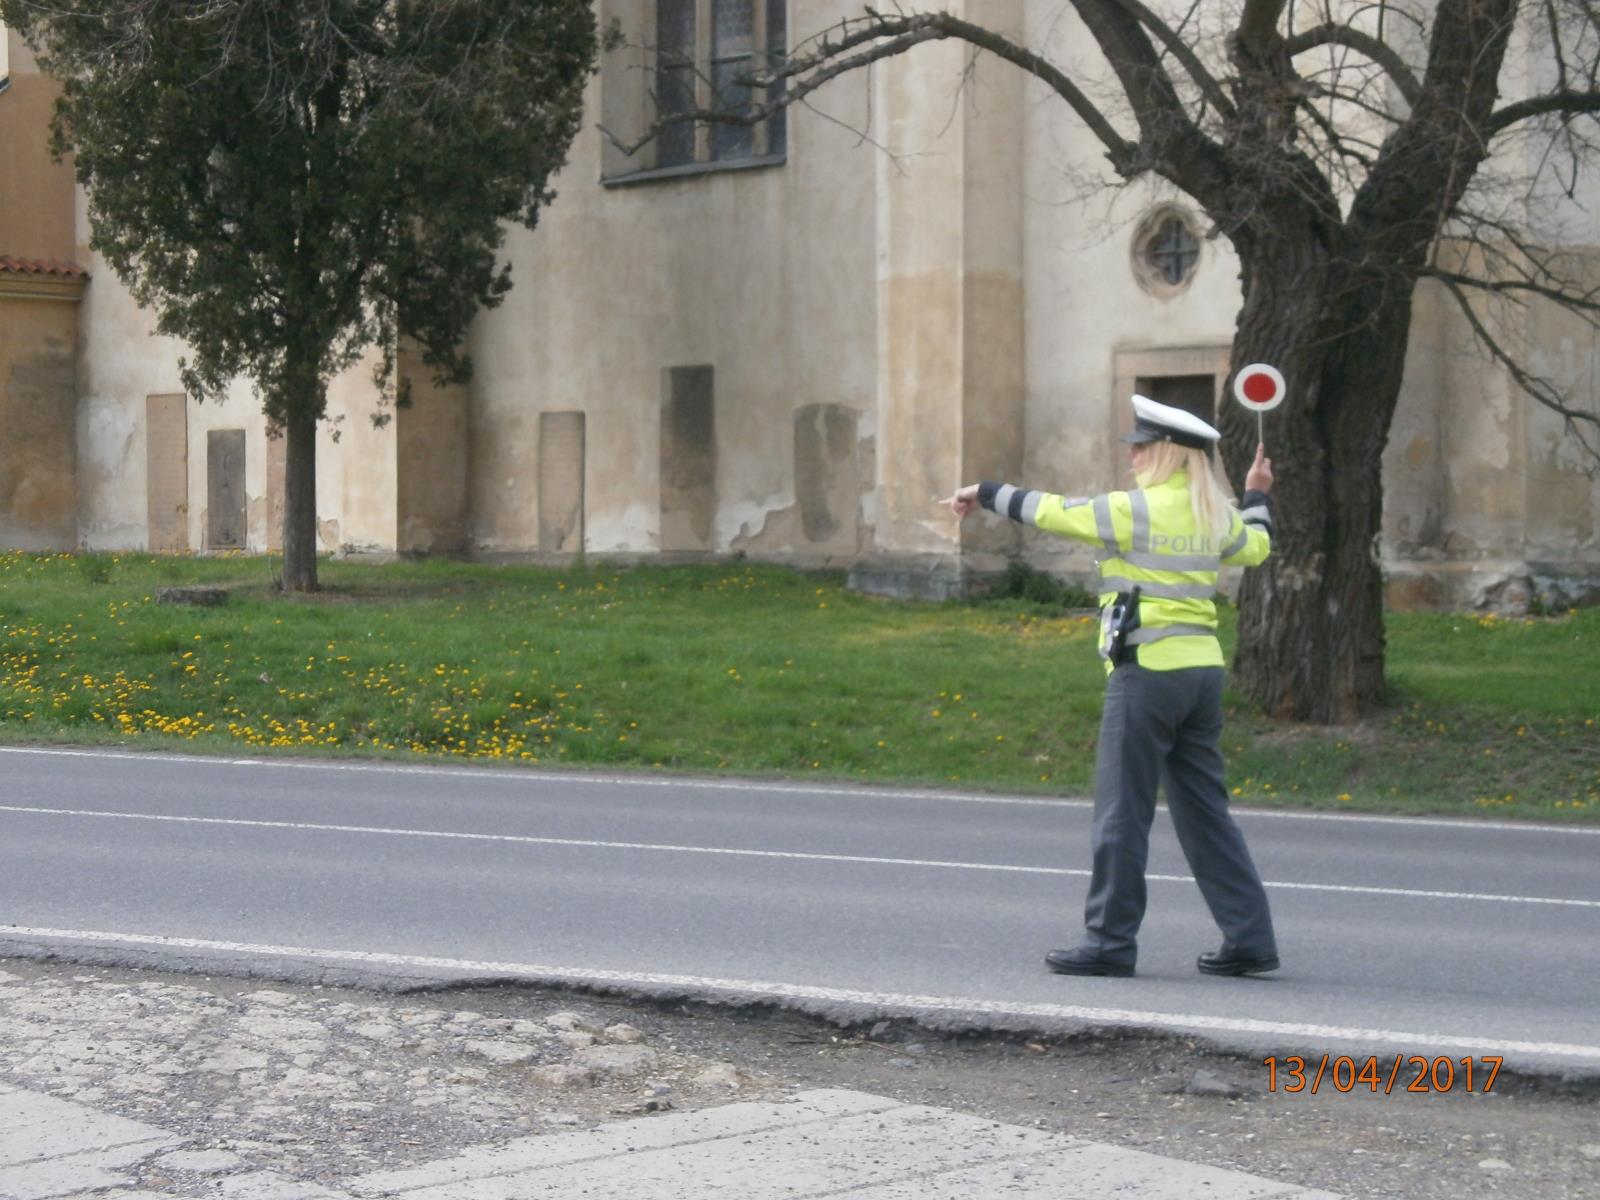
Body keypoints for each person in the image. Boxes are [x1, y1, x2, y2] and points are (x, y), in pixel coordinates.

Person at [944, 393, 1280, 978]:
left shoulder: (1135, 510)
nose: (1132, 459)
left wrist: (987, 492)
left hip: (1145, 676)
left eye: (1141, 448)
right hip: (1201, 676)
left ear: (1169, 454)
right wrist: (1257, 494)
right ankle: (1250, 937)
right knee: (1206, 814)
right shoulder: (1217, 513)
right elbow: (1258, 545)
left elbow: (1054, 511)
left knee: (1122, 814)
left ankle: (1108, 942)